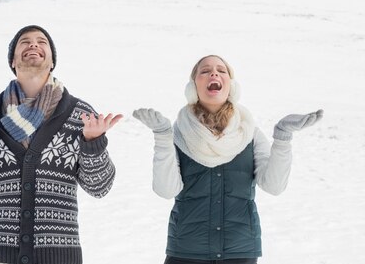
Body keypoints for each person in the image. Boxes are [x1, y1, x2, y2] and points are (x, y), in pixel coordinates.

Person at [0, 25, 122, 264]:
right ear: (13, 60)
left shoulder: (81, 115)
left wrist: (93, 144)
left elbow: (99, 187)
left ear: (52, 61)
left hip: (57, 257)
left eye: (41, 41)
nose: (33, 45)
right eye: (25, 42)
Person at [133, 55, 323, 264]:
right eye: (204, 71)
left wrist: (283, 136)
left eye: (221, 70)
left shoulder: (249, 132)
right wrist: (162, 137)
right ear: (193, 86)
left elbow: (274, 185)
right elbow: (166, 189)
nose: (214, 73)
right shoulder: (179, 133)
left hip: (240, 252)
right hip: (187, 252)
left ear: (231, 85)